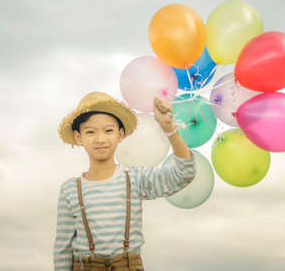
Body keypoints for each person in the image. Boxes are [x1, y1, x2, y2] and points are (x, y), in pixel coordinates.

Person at [54, 91, 196, 271]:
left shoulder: (135, 179)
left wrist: (169, 129)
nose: (100, 139)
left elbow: (184, 173)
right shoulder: (70, 189)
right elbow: (63, 250)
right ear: (78, 137)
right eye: (90, 132)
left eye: (108, 131)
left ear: (120, 135)